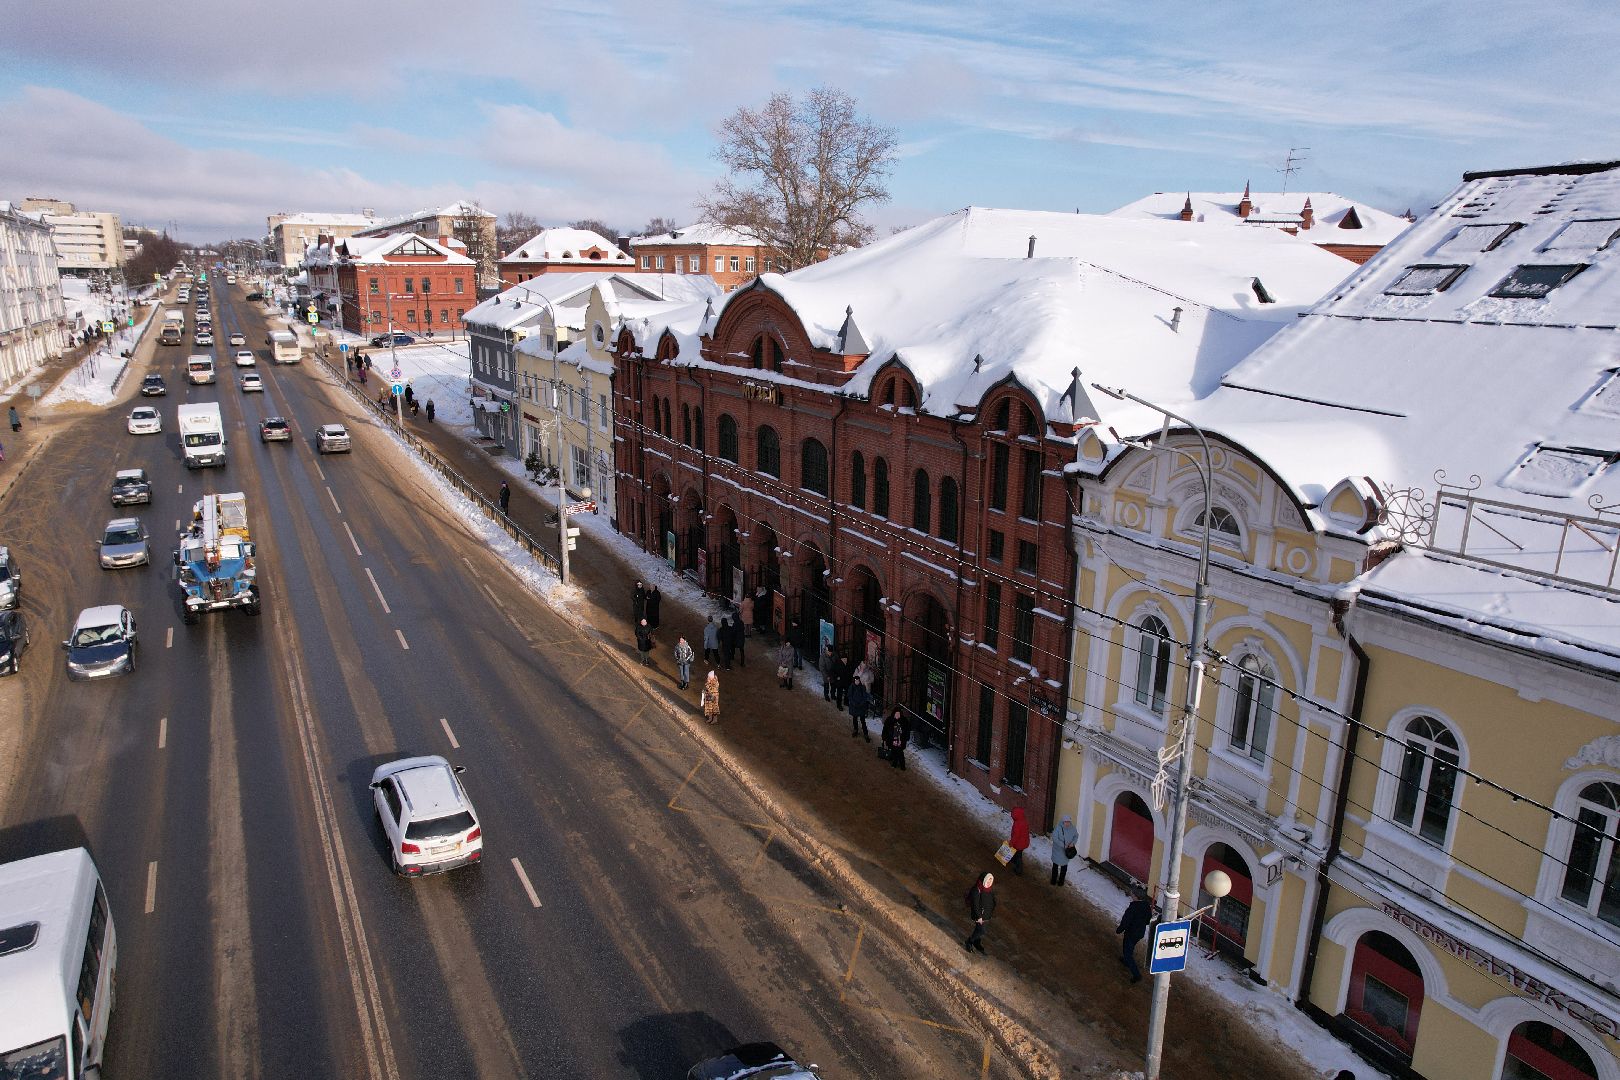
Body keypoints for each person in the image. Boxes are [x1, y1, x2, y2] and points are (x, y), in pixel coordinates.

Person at [1117, 888, 1156, 985]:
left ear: (1136, 896)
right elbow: (1148, 920)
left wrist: (1119, 930)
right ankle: (1126, 961)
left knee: (1127, 951)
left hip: (1131, 933)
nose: (1131, 896)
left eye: (1132, 894)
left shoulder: (1133, 908)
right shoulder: (1146, 906)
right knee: (1130, 947)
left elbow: (1126, 921)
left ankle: (1136, 974)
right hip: (1139, 933)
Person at [964, 871, 997, 954]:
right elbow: (975, 904)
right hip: (979, 916)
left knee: (979, 929)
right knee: (982, 931)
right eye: (988, 880)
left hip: (986, 915)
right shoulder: (976, 889)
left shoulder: (989, 889)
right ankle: (970, 941)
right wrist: (979, 917)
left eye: (991, 880)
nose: (989, 882)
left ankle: (976, 942)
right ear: (984, 880)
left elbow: (992, 900)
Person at [1050, 814, 1079, 887]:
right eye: (1066, 822)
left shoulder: (1073, 828)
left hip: (1066, 852)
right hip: (1058, 851)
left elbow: (1076, 836)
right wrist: (1064, 846)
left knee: (1064, 868)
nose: (1067, 823)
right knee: (1055, 866)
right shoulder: (1058, 828)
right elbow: (1055, 838)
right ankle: (1053, 880)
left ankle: (1061, 881)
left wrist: (1072, 843)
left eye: (1068, 822)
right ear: (1063, 821)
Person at [1007, 807, 1031, 875]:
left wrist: (1011, 843)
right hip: (1024, 842)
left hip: (1019, 844)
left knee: (1019, 856)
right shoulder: (1024, 821)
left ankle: (1018, 870)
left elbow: (1016, 836)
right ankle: (1014, 860)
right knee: (1018, 854)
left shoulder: (1017, 824)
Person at [846, 676, 870, 740]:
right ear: (854, 681)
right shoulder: (851, 687)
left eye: (858, 681)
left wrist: (861, 703)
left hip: (861, 707)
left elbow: (865, 696)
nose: (857, 682)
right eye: (856, 681)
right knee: (855, 719)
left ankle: (865, 734)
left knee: (863, 721)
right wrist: (854, 703)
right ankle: (855, 730)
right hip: (854, 707)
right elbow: (850, 696)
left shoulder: (862, 687)